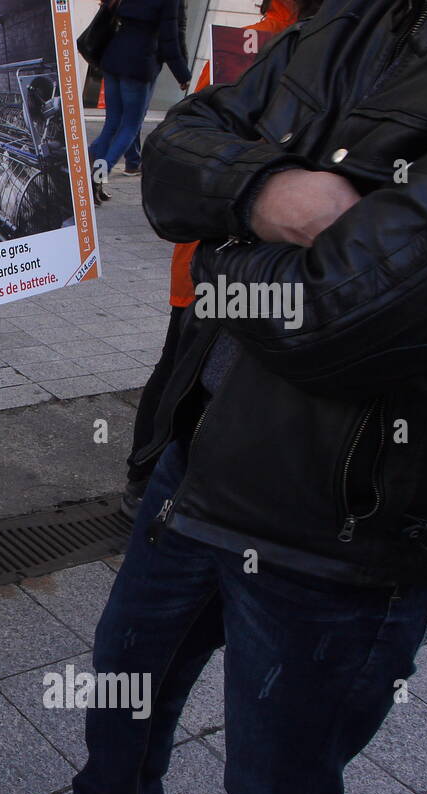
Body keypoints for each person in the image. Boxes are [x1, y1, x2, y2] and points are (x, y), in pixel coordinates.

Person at [0, 0, 427, 794]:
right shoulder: (359, 19)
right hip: (201, 456)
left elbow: (341, 313)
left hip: (344, 527)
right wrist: (267, 195)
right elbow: (175, 152)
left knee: (278, 789)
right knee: (129, 672)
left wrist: (221, 248)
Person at [121, 0, 308, 518]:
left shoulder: (244, 46)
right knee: (194, 369)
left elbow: (195, 141)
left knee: (181, 364)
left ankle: (147, 476)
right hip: (254, 263)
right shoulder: (267, 49)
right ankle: (155, 476)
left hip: (216, 258)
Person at [89, 0, 190, 204]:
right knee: (129, 127)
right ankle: (96, 178)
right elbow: (169, 38)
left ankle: (90, 176)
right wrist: (182, 74)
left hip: (113, 58)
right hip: (140, 64)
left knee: (111, 125)